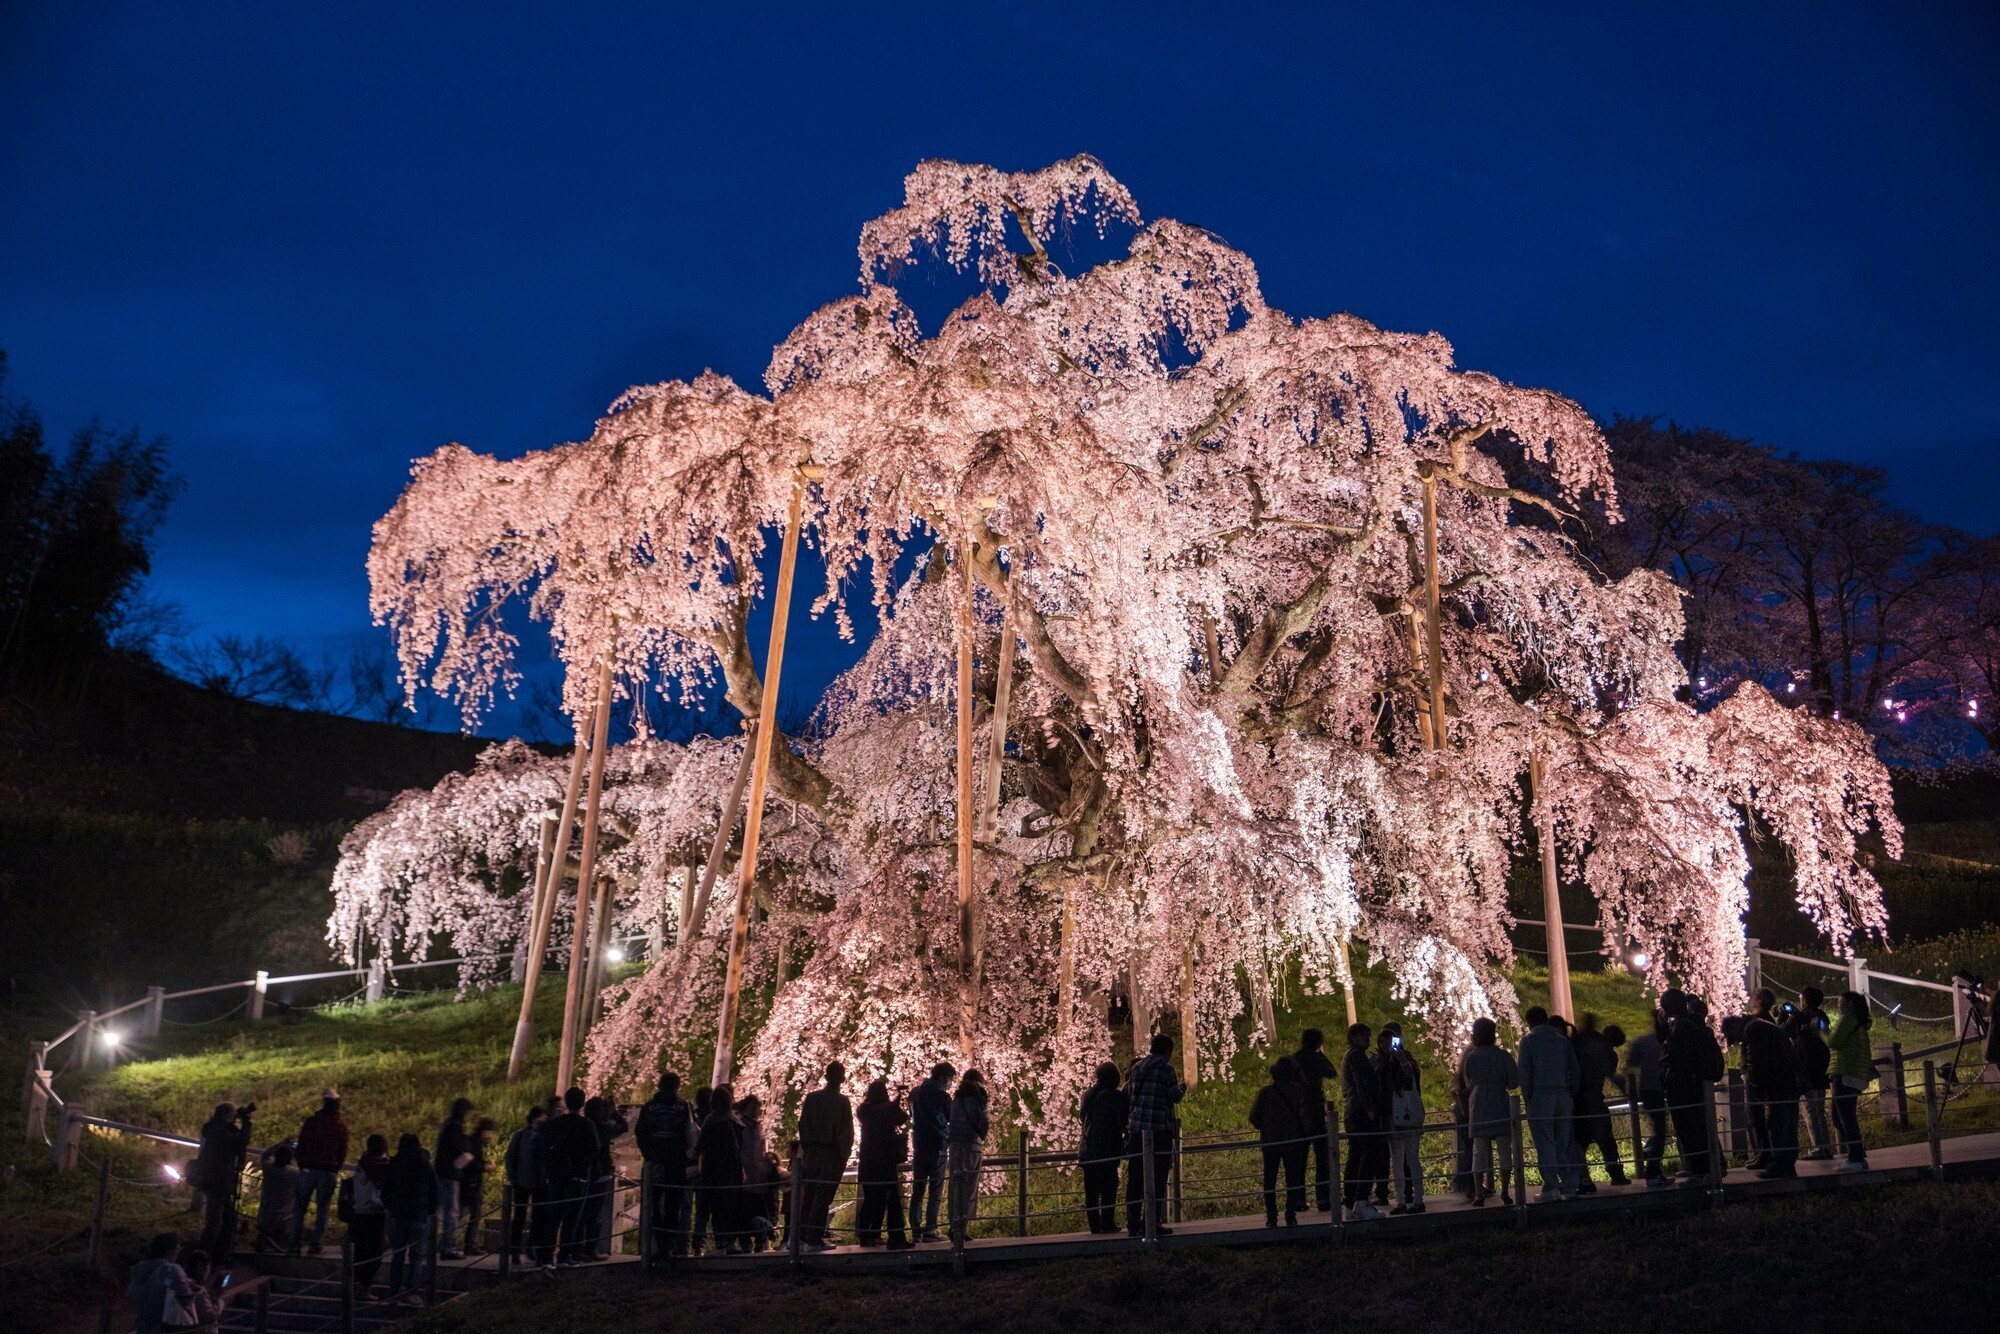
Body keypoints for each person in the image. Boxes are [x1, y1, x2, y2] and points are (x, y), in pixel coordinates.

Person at [1516, 1006, 1581, 1200]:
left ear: (1529, 1023)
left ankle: (1551, 1185)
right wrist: (1571, 1092)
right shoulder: (1562, 1042)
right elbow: (1575, 1070)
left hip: (1540, 1096)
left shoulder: (1528, 1042)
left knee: (1545, 1142)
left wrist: (1527, 1096)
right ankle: (1570, 1184)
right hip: (1563, 1095)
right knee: (1564, 1140)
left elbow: (1524, 1072)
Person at [1124, 1034, 1185, 1237]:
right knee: (1158, 1177)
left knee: (1135, 1178)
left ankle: (1133, 1223)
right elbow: (1175, 1096)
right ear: (1167, 1051)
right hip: (1158, 1130)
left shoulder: (1136, 1068)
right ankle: (1153, 1222)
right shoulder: (1165, 1070)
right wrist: (1182, 1088)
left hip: (1136, 1130)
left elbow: (1131, 1096)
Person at [1661, 989, 1725, 1181]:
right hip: (1695, 1084)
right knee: (1701, 1127)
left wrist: (1669, 1076)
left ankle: (1701, 1172)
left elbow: (1677, 1058)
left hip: (1684, 1087)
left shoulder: (1682, 1028)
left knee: (1689, 1129)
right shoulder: (1693, 1024)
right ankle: (1712, 1166)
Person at [1454, 1017, 1517, 1206]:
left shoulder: (1471, 1057)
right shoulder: (1503, 1056)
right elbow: (1514, 1082)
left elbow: (1467, 1082)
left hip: (1478, 1102)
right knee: (1505, 1149)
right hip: (1499, 1100)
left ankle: (1478, 1194)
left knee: (1478, 1150)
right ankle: (1505, 1191)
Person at [1738, 993, 1802, 1178]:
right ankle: (1776, 1160)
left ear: (1758, 1001)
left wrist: (1756, 1082)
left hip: (1772, 1080)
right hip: (1784, 1080)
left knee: (1769, 1120)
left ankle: (1773, 1160)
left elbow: (1758, 1059)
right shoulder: (1770, 1023)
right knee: (1780, 1122)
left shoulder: (1756, 1026)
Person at [634, 1073, 694, 1262]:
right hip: (676, 1162)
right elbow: (689, 1132)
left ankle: (656, 1243)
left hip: (655, 1162)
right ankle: (668, 1245)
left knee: (653, 1204)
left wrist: (648, 1155)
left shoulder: (649, 1107)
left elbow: (640, 1132)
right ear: (677, 1086)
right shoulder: (683, 1107)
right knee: (673, 1205)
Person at [1248, 1056, 1311, 1227]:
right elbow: (1306, 1115)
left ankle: (1272, 1217)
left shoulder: (1265, 1093)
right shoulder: (1300, 1091)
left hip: (1271, 1142)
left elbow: (1253, 1116)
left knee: (1270, 1180)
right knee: (1292, 1180)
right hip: (1293, 1141)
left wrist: (1267, 1128)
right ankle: (1290, 1216)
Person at [798, 1062, 855, 1250]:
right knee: (823, 1197)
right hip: (831, 1155)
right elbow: (846, 1133)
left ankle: (801, 1236)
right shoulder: (842, 1102)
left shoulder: (811, 1099)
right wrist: (843, 1155)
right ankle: (814, 1238)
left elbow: (803, 1125)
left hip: (812, 1154)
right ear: (842, 1078)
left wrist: (807, 1148)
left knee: (810, 1196)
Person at [542, 1087, 602, 1265]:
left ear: (566, 1102)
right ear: (582, 1103)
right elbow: (595, 1148)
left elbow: (545, 1147)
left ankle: (545, 1257)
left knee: (553, 1218)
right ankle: (563, 1256)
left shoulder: (556, 1124)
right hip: (577, 1176)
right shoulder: (586, 1124)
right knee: (571, 1219)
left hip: (556, 1177)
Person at [1570, 1016, 1629, 1189]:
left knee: (1581, 1140)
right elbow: (1610, 1073)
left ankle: (1583, 1178)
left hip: (1577, 1098)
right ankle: (1616, 1174)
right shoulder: (1606, 1052)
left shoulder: (1582, 1041)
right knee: (1606, 1140)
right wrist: (1627, 1090)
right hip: (1594, 1099)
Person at [855, 1077, 912, 1248]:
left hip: (868, 1161)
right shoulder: (883, 1110)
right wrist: (897, 1100)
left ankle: (867, 1235)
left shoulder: (863, 1110)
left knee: (871, 1199)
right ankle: (895, 1237)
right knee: (891, 1198)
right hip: (885, 1161)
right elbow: (902, 1117)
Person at [191, 1102, 251, 1262]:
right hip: (217, 1181)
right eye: (232, 1114)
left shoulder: (214, 1128)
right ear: (226, 1115)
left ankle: (214, 1256)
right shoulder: (217, 1131)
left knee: (227, 1220)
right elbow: (240, 1144)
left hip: (218, 1180)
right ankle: (202, 1258)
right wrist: (246, 1123)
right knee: (216, 1223)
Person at [290, 1090, 347, 1257]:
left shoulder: (312, 1122)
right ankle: (315, 1245)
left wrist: (301, 1163)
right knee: (323, 1209)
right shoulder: (340, 1126)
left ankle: (294, 1244)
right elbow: (342, 1151)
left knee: (299, 1208)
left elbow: (302, 1144)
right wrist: (335, 1167)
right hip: (328, 1171)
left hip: (308, 1169)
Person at [1339, 1023, 1386, 1220]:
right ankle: (1361, 1200)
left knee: (1355, 1155)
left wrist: (1373, 1066)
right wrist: (1370, 1108)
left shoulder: (1351, 1056)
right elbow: (1361, 1084)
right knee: (1369, 1154)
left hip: (1352, 1112)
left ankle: (1350, 1202)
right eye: (1365, 1037)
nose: (1368, 1040)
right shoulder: (1356, 1056)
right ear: (1355, 1036)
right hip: (1361, 1112)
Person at [383, 1133, 437, 1303]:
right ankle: (412, 1291)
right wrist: (429, 1210)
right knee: (417, 1256)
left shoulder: (396, 1164)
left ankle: (394, 1291)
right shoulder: (425, 1164)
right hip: (419, 1214)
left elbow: (386, 1190)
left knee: (398, 1255)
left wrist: (392, 1207)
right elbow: (435, 1190)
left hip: (399, 1215)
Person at [1377, 1023, 1426, 1212]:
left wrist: (1401, 1060)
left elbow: (1410, 1078)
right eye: (1382, 1042)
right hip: (1391, 1116)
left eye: (1389, 1041)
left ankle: (1418, 1199)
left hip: (1407, 1115)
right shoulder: (1381, 1064)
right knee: (1396, 1160)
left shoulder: (1407, 1060)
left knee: (1412, 1158)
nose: (1386, 1045)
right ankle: (1400, 1201)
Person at [1077, 1061, 1128, 1234]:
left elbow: (1083, 1118)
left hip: (1087, 1149)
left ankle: (1094, 1226)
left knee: (1091, 1191)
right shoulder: (1114, 1096)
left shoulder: (1088, 1094)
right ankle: (1107, 1223)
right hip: (1107, 1149)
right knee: (1108, 1187)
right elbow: (1123, 1122)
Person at [1826, 989, 1874, 1173]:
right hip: (1853, 1073)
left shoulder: (1847, 1019)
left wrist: (1820, 1030)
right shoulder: (1859, 1023)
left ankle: (1855, 1158)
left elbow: (1833, 1041)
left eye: (1840, 1002)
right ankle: (1858, 1155)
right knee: (1841, 1117)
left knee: (1844, 1118)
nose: (1838, 1005)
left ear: (1850, 1004)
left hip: (1845, 1072)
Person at [695, 1083, 746, 1256]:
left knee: (715, 1207)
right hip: (734, 1169)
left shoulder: (712, 1120)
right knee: (730, 1206)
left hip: (713, 1170)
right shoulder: (736, 1121)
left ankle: (720, 1244)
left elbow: (701, 1145)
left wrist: (690, 1154)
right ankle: (730, 1242)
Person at [1291, 1028, 1338, 1213]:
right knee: (1322, 1157)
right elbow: (1332, 1072)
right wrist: (1322, 1055)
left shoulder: (1295, 1058)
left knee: (1300, 1159)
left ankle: (1299, 1200)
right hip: (1316, 1110)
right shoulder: (1316, 1058)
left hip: (1299, 1111)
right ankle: (1323, 1199)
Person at [908, 1061, 955, 1243]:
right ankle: (930, 1229)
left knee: (918, 1189)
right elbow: (950, 1119)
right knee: (936, 1189)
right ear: (943, 1077)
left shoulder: (915, 1092)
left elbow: (911, 1115)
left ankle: (915, 1230)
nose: (950, 1082)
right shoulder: (942, 1096)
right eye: (950, 1079)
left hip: (919, 1145)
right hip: (937, 1146)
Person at [1624, 1013, 1672, 1187]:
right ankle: (1652, 1169)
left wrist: (1631, 1090)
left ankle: (1648, 1156)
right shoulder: (1668, 1040)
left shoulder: (1643, 1042)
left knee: (1660, 1129)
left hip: (1648, 1089)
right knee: (1661, 1130)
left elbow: (1630, 1066)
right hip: (1660, 1089)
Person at [946, 1068, 992, 1243]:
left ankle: (953, 1226)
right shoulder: (980, 1096)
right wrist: (982, 1134)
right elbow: (984, 1120)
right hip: (971, 1144)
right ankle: (962, 1227)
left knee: (955, 1185)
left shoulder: (957, 1098)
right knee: (969, 1186)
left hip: (955, 1145)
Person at [1789, 987, 1834, 1160]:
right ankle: (1826, 1147)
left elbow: (1785, 1030)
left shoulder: (1799, 1018)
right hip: (1821, 1069)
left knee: (1810, 1110)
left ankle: (1818, 1148)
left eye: (1801, 997)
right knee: (1819, 1110)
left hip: (1805, 1070)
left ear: (1805, 1000)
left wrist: (1788, 1015)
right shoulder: (1822, 1016)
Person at [583, 1095, 629, 1258]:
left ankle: (575, 1249)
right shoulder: (603, 1127)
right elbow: (624, 1126)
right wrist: (614, 1113)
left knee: (581, 1213)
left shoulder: (584, 1125)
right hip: (601, 1171)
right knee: (595, 1213)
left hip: (582, 1173)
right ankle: (591, 1249)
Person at [503, 1106, 549, 1266]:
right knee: (519, 1218)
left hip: (540, 1182)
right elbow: (510, 1157)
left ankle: (531, 1246)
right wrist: (513, 1177)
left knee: (539, 1217)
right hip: (522, 1182)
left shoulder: (545, 1136)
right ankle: (515, 1250)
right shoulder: (521, 1135)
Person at [128, 1232, 196, 1334]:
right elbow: (187, 1298)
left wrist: (186, 1281)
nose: (179, 1251)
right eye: (178, 1248)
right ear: (169, 1251)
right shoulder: (171, 1269)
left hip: (142, 1328)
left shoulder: (138, 1272)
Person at [433, 1097, 475, 1260]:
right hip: (450, 1174)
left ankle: (444, 1244)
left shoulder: (447, 1126)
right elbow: (460, 1148)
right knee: (452, 1212)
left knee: (447, 1211)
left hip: (443, 1173)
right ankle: (448, 1247)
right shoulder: (454, 1128)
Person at [349, 1133, 392, 1293]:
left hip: (358, 1212)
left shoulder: (362, 1164)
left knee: (360, 1252)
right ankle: (364, 1287)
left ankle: (354, 1286)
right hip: (374, 1213)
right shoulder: (382, 1166)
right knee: (373, 1253)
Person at [736, 1094, 775, 1250]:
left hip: (758, 1176)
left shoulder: (756, 1126)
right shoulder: (740, 1124)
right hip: (746, 1175)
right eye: (754, 1107)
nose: (756, 1110)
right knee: (745, 1211)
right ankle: (747, 1242)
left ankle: (759, 1240)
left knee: (758, 1210)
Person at [460, 1116, 497, 1254]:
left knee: (463, 1214)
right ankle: (469, 1246)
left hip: (468, 1183)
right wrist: (485, 1167)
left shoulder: (472, 1140)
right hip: (471, 1184)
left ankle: (448, 1244)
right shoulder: (474, 1142)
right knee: (474, 1214)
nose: (491, 1135)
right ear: (486, 1131)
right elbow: (470, 1163)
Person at [255, 1144, 297, 1253]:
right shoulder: (293, 1173)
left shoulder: (268, 1169)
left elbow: (264, 1156)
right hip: (284, 1219)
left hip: (265, 1217)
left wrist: (281, 1143)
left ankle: (265, 1240)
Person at [180, 1248, 223, 1333]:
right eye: (208, 1267)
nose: (209, 1271)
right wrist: (219, 1301)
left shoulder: (182, 1283)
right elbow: (210, 1316)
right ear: (200, 1267)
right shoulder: (198, 1290)